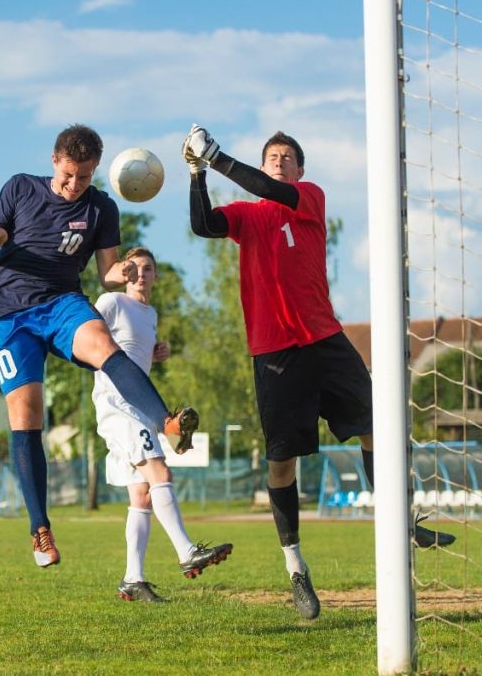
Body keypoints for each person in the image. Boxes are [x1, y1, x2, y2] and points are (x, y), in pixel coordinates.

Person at [181, 124, 456, 620]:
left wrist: (218, 158)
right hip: (274, 351)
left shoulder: (308, 196)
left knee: (378, 427)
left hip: (325, 338)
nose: (280, 160)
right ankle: (296, 570)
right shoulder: (246, 216)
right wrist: (197, 172)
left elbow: (269, 190)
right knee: (282, 463)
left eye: (288, 156)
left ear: (300, 170)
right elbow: (203, 225)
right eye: (272, 156)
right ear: (262, 163)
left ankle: (404, 519)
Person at [0, 124, 199, 569]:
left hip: (61, 302)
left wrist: (128, 272)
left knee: (102, 343)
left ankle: (168, 424)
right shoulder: (20, 188)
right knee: (27, 416)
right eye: (69, 175)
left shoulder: (101, 208)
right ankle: (40, 530)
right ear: (55, 160)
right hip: (10, 314)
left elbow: (106, 273)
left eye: (85, 177)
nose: (75, 185)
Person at [93, 246, 233, 602]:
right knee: (161, 475)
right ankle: (187, 552)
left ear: (156, 276)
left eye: (148, 268)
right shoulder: (111, 302)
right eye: (133, 268)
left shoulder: (150, 313)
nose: (140, 273)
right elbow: (88, 338)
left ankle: (132, 580)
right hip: (118, 403)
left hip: (138, 407)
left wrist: (154, 351)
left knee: (141, 495)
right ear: (123, 272)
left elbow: (131, 350)